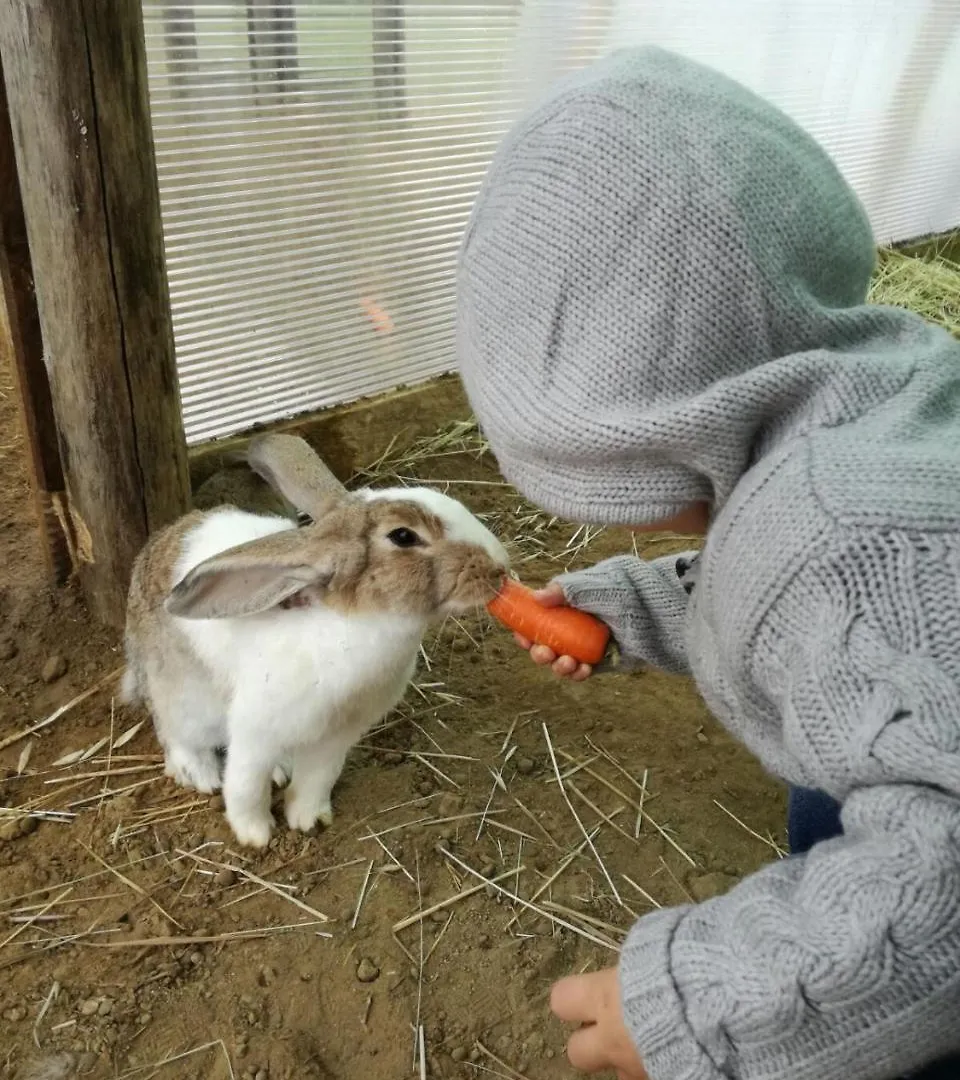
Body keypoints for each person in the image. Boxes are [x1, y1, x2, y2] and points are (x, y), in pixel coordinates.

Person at [456, 46, 960, 1080]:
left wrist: (708, 1003)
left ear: (694, 406)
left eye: (623, 474)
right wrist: (636, 609)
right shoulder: (885, 400)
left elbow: (941, 887)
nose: (634, 517)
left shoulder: (830, 534)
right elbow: (833, 620)